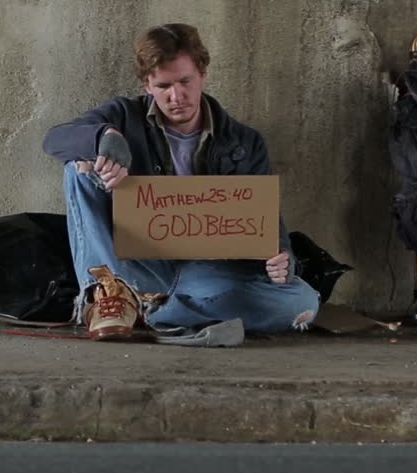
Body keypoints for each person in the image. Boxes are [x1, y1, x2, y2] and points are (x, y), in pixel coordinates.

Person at [42, 23, 320, 342]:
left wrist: (282, 257)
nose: (177, 96)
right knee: (78, 168)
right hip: (133, 264)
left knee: (302, 302)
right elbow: (54, 139)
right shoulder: (124, 115)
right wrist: (104, 137)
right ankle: (109, 298)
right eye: (163, 86)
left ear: (202, 74)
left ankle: (156, 312)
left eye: (185, 81)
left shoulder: (244, 142)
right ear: (147, 85)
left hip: (205, 273)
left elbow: (268, 226)